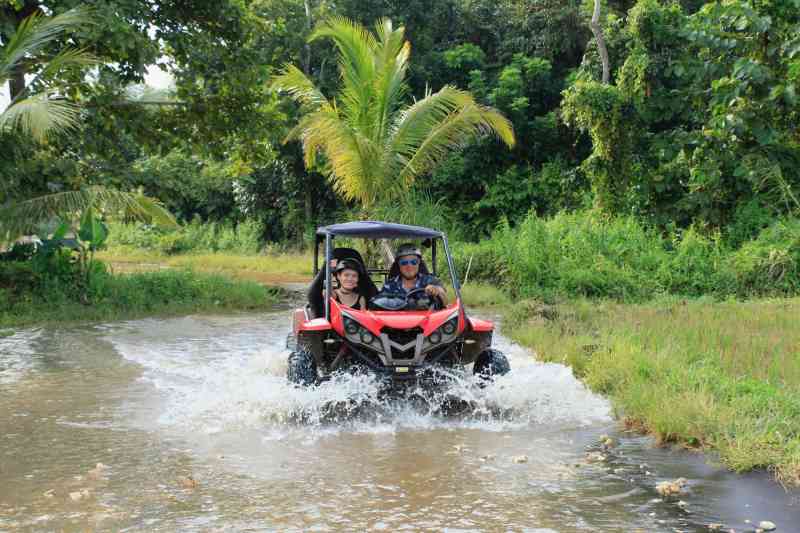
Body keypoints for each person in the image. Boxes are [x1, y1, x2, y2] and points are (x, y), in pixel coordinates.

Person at [381, 243, 447, 306]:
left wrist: (437, 290)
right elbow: (379, 307)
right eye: (404, 263)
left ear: (419, 263)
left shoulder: (431, 281)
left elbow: (445, 302)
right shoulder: (389, 286)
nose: (409, 266)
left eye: (414, 262)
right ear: (399, 265)